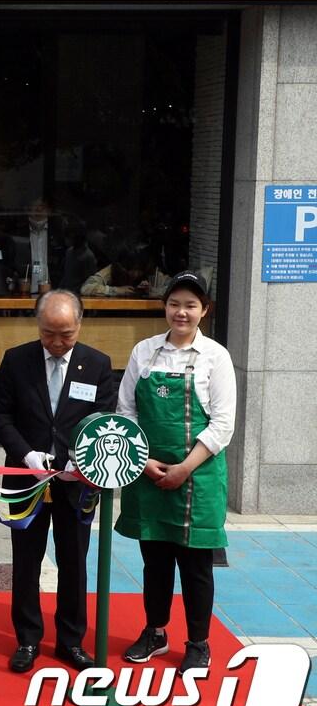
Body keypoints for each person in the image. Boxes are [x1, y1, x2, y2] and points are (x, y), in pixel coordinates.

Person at [0, 289, 117, 673]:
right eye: (49, 334)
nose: (58, 343)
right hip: (27, 478)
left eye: (66, 334)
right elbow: (1, 416)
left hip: (77, 483)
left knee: (73, 561)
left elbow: (104, 417)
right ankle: (28, 638)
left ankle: (70, 640)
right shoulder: (17, 360)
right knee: (26, 561)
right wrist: (28, 455)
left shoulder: (97, 364)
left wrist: (79, 460)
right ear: (38, 325)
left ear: (79, 324)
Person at [115, 271, 234, 674]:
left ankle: (199, 642)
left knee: (197, 566)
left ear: (205, 310)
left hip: (197, 478)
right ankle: (155, 631)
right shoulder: (143, 352)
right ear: (164, 306)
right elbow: (126, 412)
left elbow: (222, 424)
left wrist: (184, 468)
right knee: (156, 559)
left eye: (190, 305)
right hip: (147, 473)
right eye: (174, 303)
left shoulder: (216, 357)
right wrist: (144, 462)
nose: (181, 312)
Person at [81, 242, 169, 298]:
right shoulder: (114, 269)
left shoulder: (152, 272)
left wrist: (151, 291)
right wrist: (116, 290)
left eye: (139, 270)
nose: (136, 274)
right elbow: (86, 288)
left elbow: (174, 287)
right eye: (131, 270)